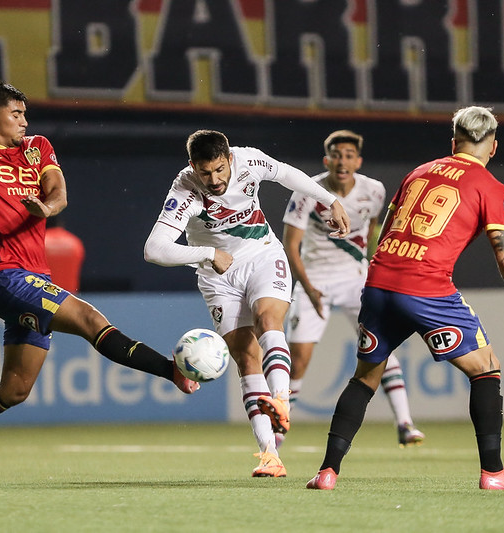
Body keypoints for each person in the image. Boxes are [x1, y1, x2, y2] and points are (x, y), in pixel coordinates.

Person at [0, 47, 199, 483]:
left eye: (25, 113)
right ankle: (169, 370)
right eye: (16, 113)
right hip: (5, 277)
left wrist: (46, 206)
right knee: (89, 318)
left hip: (34, 278)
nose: (24, 120)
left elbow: (59, 191)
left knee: (14, 391)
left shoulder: (37, 148)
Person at [306, 106, 504, 491]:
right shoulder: (490, 187)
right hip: (427, 288)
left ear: (453, 143)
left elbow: (387, 228)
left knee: (365, 377)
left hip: (379, 282)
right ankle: (494, 473)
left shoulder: (419, 172)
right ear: (493, 147)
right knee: (486, 368)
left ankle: (327, 472)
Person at [144, 130, 351, 477]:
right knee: (245, 356)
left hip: (262, 257)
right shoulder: (185, 189)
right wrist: (207, 253)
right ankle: (270, 455)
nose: (215, 180)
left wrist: (330, 200)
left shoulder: (249, 160)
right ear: (193, 166)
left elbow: (287, 174)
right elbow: (154, 250)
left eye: (220, 170)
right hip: (217, 275)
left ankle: (281, 400)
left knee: (268, 320)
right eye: (205, 172)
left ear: (229, 158)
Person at [282, 129, 424, 447]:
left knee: (381, 345)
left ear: (357, 161)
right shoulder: (307, 191)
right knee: (299, 360)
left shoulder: (374, 191)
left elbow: (371, 233)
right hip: (313, 281)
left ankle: (405, 423)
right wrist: (308, 287)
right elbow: (291, 245)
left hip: (356, 280)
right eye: (336, 155)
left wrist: (373, 270)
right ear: (327, 159)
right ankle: (275, 441)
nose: (342, 161)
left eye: (348, 155)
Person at [45, 216, 85, 294]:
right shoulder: (74, 241)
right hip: (70, 297)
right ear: (60, 224)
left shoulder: (39, 242)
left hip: (45, 295)